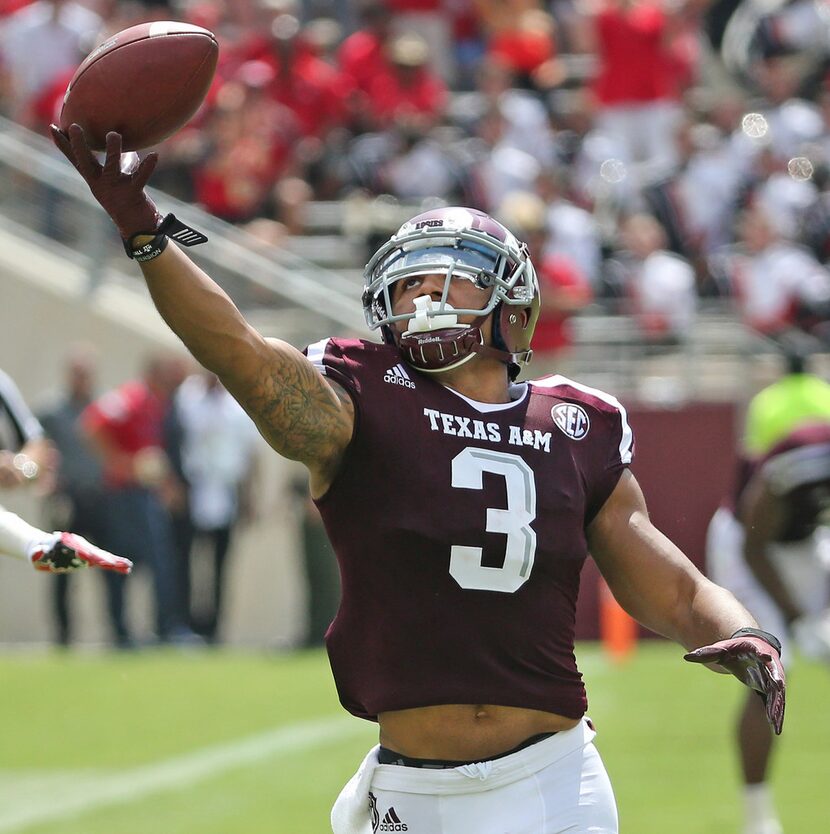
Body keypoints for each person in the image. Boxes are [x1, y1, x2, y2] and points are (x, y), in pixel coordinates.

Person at [53, 123, 786, 834]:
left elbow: (671, 583)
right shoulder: (364, 396)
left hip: (554, 780)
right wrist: (146, 234)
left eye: (449, 281)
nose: (421, 299)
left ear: (514, 307)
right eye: (408, 286)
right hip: (413, 790)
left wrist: (741, 630)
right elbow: (241, 355)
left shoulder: (576, 422)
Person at [707, 422, 830, 834]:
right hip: (747, 543)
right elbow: (753, 545)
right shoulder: (804, 459)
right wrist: (799, 618)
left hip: (805, 542)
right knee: (774, 666)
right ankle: (758, 816)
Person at [80, 353, 188, 647]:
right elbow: (92, 423)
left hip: (146, 495)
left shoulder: (156, 405)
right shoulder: (133, 397)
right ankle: (123, 632)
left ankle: (163, 628)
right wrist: (119, 463)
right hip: (123, 495)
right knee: (123, 563)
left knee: (159, 563)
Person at [0, 366, 131, 576]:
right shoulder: (53, 406)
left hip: (98, 496)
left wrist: (21, 468)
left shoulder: (1, 383)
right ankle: (41, 545)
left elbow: (38, 448)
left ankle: (43, 546)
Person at [35, 344, 111, 644]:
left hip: (100, 496)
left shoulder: (104, 407)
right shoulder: (51, 410)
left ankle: (117, 630)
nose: (82, 379)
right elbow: (37, 447)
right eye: (77, 373)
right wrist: (46, 479)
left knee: (107, 564)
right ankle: (63, 636)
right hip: (66, 498)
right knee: (62, 568)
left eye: (86, 374)